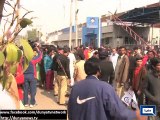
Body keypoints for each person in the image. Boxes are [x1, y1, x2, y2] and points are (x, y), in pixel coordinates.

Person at [68, 57, 147, 120]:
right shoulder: (105, 88)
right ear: (99, 71)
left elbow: (70, 111)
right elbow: (118, 113)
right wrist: (136, 114)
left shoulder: (76, 87)